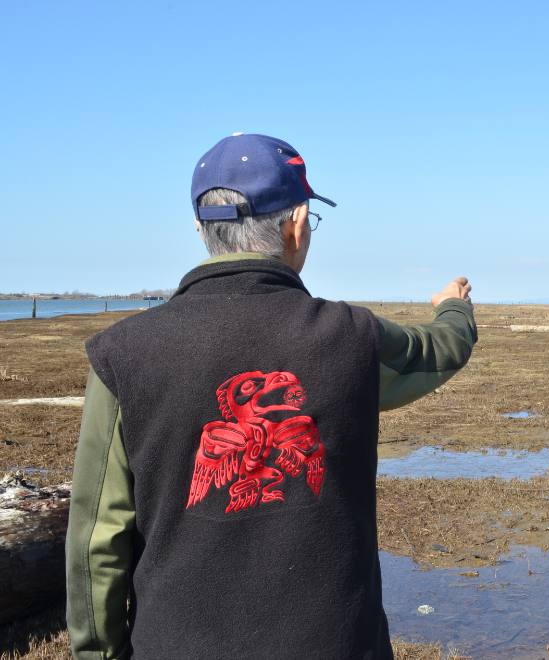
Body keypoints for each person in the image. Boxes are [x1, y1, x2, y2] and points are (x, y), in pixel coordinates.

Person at [65, 133, 477, 659]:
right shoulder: (350, 338)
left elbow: (97, 542)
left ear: (200, 227)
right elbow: (437, 351)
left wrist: (98, 653)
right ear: (297, 224)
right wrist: (453, 308)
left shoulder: (121, 355)